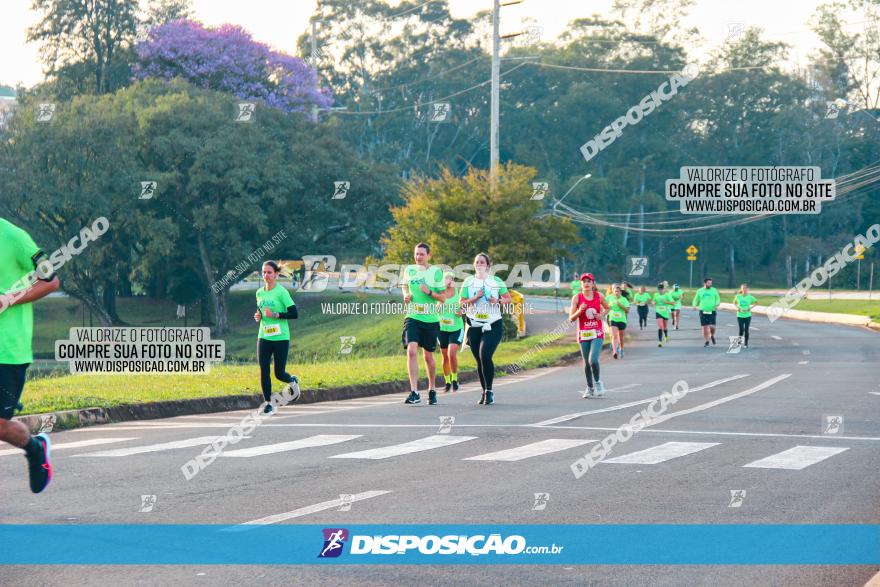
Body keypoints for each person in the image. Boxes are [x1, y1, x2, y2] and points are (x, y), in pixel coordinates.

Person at [0, 218, 59, 493]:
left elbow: (51, 280)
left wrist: (8, 298)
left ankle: (35, 449)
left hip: (8, 350)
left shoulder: (15, 237)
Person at [461, 253, 511, 405]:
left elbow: (509, 300)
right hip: (474, 325)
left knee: (485, 355)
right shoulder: (468, 281)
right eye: (477, 262)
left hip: (493, 324)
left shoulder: (496, 281)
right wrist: (475, 298)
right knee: (479, 360)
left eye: (482, 262)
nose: (479, 265)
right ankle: (484, 391)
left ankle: (489, 391)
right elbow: (461, 303)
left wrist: (498, 300)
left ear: (488, 265)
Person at [401, 243, 447, 405]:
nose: (418, 257)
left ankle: (432, 389)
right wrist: (406, 295)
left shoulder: (436, 272)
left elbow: (443, 297)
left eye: (421, 254)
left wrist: (428, 292)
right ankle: (414, 392)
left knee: (428, 356)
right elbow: (405, 286)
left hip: (431, 319)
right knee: (412, 351)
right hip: (413, 316)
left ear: (429, 255)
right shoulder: (409, 270)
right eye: (416, 254)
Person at [253, 261, 300, 414]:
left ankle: (292, 381)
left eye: (269, 272)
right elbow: (260, 311)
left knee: (279, 373)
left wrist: (276, 315)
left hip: (281, 337)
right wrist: (258, 316)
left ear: (276, 274)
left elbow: (294, 313)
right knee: (263, 370)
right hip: (264, 336)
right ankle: (268, 403)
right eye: (264, 272)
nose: (266, 275)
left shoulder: (281, 292)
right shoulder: (259, 292)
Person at [569, 272, 610, 398]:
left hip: (597, 332)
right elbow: (571, 318)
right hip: (583, 333)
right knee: (586, 363)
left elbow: (608, 307)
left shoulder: (599, 296)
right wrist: (579, 311)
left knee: (593, 360)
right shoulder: (577, 298)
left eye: (589, 281)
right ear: (581, 284)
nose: (586, 283)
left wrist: (602, 315)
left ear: (593, 284)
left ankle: (597, 382)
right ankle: (590, 387)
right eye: (584, 281)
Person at [438, 271, 464, 392]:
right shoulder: (439, 293)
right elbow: (434, 308)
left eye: (451, 278)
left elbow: (463, 306)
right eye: (447, 278)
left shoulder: (458, 292)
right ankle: (447, 382)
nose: (449, 281)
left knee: (451, 353)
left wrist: (461, 311)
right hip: (442, 329)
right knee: (444, 356)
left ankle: (454, 379)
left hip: (456, 328)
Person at [692, 277, 721, 347]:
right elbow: (696, 299)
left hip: (712, 310)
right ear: (705, 283)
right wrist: (694, 305)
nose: (710, 284)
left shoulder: (714, 290)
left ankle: (712, 335)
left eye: (711, 283)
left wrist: (717, 304)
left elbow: (717, 298)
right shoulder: (700, 291)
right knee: (705, 327)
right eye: (709, 283)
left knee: (712, 327)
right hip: (703, 310)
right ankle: (707, 341)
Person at [606, 283, 630, 359]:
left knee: (621, 337)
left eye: (618, 291)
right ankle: (614, 351)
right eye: (615, 291)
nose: (617, 292)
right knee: (614, 335)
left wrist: (621, 306)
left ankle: (621, 349)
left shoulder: (624, 299)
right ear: (613, 291)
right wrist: (607, 307)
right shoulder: (609, 298)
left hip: (622, 320)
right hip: (612, 318)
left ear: (621, 292)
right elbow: (603, 305)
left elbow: (627, 310)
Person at [733, 283, 758, 349]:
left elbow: (757, 302)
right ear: (741, 289)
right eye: (743, 288)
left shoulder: (750, 297)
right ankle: (739, 343)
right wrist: (737, 308)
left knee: (746, 330)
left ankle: (746, 343)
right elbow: (734, 302)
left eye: (745, 288)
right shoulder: (738, 296)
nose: (744, 289)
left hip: (747, 315)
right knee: (741, 329)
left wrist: (750, 308)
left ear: (747, 289)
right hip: (740, 315)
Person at [652, 282, 673, 347]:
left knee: (665, 327)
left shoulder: (667, 295)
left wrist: (665, 302)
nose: (660, 290)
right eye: (659, 289)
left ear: (663, 289)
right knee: (660, 327)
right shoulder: (656, 295)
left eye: (661, 289)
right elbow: (653, 301)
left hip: (665, 312)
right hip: (658, 312)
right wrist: (653, 302)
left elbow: (673, 303)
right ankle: (660, 341)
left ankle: (666, 336)